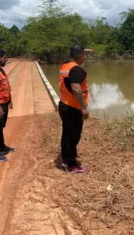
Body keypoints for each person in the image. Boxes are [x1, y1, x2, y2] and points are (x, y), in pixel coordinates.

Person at [58, 43, 89, 173]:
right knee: (73, 137)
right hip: (73, 108)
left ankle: (65, 158)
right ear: (80, 55)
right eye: (84, 55)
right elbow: (76, 89)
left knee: (66, 133)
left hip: (64, 104)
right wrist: (83, 108)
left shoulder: (64, 66)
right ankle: (71, 165)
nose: (85, 57)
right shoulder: (77, 69)